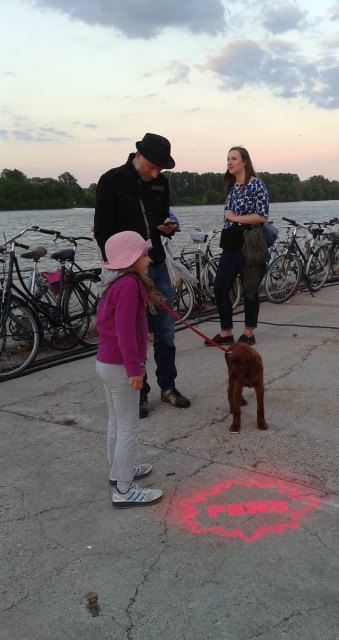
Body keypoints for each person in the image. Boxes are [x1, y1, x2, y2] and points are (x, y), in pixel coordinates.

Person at [94, 133, 190, 419]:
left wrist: (168, 227)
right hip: (127, 270)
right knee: (136, 330)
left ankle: (168, 386)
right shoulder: (111, 181)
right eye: (152, 166)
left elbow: (161, 219)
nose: (155, 173)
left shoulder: (161, 183)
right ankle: (140, 392)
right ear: (138, 155)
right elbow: (103, 231)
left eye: (160, 168)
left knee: (166, 330)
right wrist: (120, 266)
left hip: (155, 262)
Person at [96, 231, 163, 508]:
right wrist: (135, 367)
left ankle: (118, 471)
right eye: (144, 254)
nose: (148, 259)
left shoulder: (114, 282)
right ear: (131, 259)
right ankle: (124, 490)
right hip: (121, 366)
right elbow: (125, 329)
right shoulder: (129, 285)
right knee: (128, 428)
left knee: (116, 423)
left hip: (106, 363)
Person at [205, 146, 270, 347]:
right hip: (230, 243)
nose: (229, 162)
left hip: (248, 242)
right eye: (228, 159)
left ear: (244, 162)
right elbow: (228, 215)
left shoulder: (256, 184)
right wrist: (230, 220)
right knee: (219, 287)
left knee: (249, 287)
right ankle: (226, 332)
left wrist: (235, 218)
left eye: (233, 158)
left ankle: (248, 333)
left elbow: (262, 216)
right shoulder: (233, 186)